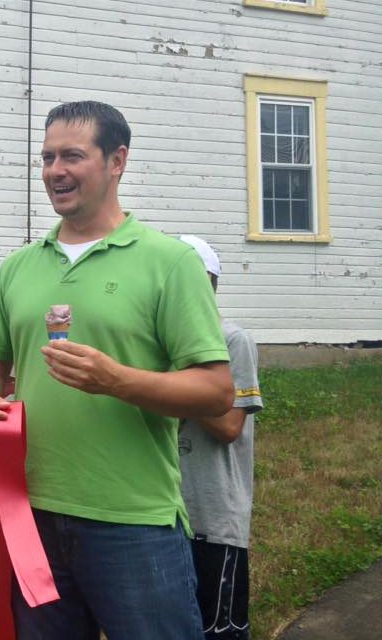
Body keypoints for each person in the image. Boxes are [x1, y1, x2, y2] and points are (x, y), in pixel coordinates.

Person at [0, 101, 235, 640]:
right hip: (31, 516)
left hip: (133, 522)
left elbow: (216, 392)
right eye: (46, 158)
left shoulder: (169, 262)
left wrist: (117, 380)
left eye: (72, 156)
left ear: (117, 161)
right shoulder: (20, 266)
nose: (54, 171)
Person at [177, 235, 263, 640]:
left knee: (219, 629)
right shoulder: (162, 344)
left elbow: (230, 427)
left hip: (213, 516)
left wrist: (176, 387)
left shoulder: (233, 340)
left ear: (205, 283)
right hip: (165, 515)